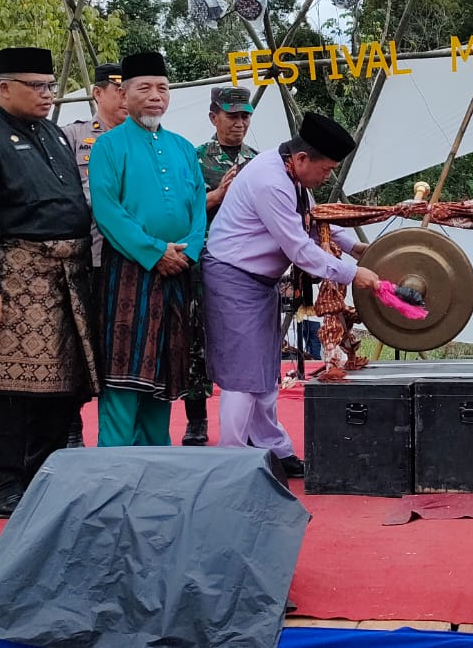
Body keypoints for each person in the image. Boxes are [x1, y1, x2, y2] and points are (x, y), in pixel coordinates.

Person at [0, 47, 98, 519]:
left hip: (64, 276)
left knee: (60, 385)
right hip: (12, 275)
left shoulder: (52, 132)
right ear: (4, 86)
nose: (47, 95)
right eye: (36, 86)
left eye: (50, 86)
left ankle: (42, 477)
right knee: (4, 387)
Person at [203, 112, 379, 478]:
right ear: (302, 159)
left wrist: (358, 249)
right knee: (241, 378)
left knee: (264, 376)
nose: (327, 176)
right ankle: (230, 464)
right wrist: (352, 273)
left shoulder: (292, 174)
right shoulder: (271, 180)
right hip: (232, 279)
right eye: (327, 169)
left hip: (258, 283)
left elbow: (314, 223)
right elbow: (300, 249)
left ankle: (275, 449)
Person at [87, 52, 208, 447]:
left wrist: (187, 252)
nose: (156, 96)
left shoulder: (183, 147)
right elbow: (107, 210)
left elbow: (198, 211)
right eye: (145, 88)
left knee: (165, 374)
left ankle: (157, 469)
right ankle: (113, 475)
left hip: (178, 275)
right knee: (125, 375)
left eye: (163, 88)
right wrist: (156, 252)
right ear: (124, 93)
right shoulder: (108, 146)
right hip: (129, 272)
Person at [185, 85, 259, 444]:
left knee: (241, 343)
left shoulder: (259, 162)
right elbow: (181, 215)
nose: (239, 123)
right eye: (232, 116)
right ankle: (196, 419)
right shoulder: (194, 159)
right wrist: (217, 196)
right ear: (214, 117)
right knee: (197, 339)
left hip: (246, 269)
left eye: (245, 116)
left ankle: (248, 422)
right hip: (203, 263)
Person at [60, 62, 128, 448]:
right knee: (77, 343)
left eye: (127, 89)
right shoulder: (73, 136)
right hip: (89, 259)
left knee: (118, 349)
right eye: (116, 90)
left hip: (134, 261)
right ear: (98, 94)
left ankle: (119, 432)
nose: (123, 97)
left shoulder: (146, 139)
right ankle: (71, 427)